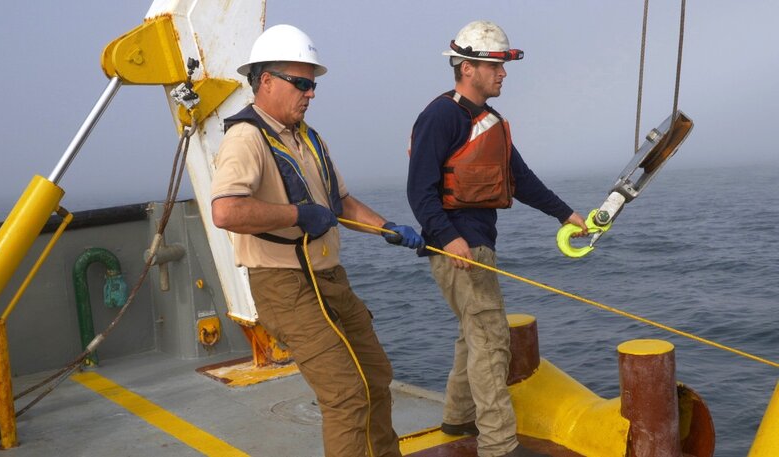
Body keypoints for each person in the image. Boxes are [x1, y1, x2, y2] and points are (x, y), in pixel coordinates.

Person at [211, 24, 423, 457]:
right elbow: (226, 211)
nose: (310, 94)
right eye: (301, 83)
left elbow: (341, 203)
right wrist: (297, 215)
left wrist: (387, 228)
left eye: (313, 85)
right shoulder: (245, 138)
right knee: (345, 395)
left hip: (329, 277)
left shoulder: (309, 137)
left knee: (375, 377)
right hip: (283, 284)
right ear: (265, 81)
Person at [406, 20, 588, 457]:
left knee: (474, 334)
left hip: (477, 245)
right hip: (459, 249)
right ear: (467, 68)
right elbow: (419, 190)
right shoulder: (440, 116)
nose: (503, 73)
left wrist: (565, 214)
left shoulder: (491, 122)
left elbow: (520, 179)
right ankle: (500, 445)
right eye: (495, 66)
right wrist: (449, 238)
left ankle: (458, 417)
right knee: (491, 340)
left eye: (504, 65)